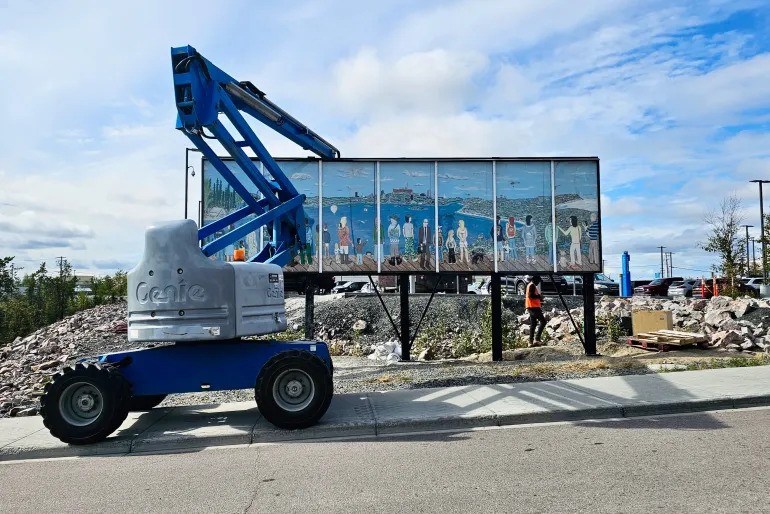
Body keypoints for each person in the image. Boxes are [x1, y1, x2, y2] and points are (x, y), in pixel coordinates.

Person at [525, 275, 546, 347]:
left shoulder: (531, 285)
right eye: (538, 281)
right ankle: (537, 339)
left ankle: (530, 342)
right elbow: (531, 296)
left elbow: (532, 296)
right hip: (533, 307)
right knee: (543, 321)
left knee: (533, 324)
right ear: (535, 280)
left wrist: (539, 299)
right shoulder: (532, 286)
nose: (538, 283)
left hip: (531, 307)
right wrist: (539, 296)